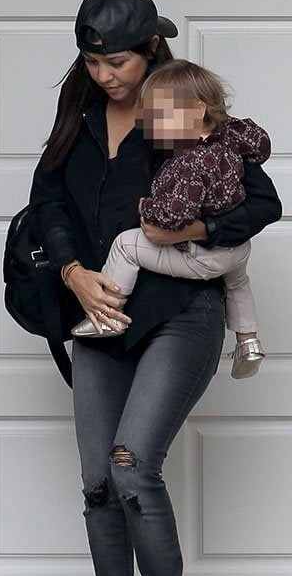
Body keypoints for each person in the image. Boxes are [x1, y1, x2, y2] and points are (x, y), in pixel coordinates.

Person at [27, 0, 281, 576]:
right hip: (100, 322)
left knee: (133, 465)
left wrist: (189, 234)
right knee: (99, 487)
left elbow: (262, 203)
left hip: (179, 315)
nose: (107, 75)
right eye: (93, 61)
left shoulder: (183, 107)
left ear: (151, 49)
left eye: (119, 62)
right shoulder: (76, 112)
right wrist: (74, 272)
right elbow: (47, 201)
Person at [71, 59, 270, 379]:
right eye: (151, 118)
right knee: (239, 283)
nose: (154, 128)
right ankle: (248, 341)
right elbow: (260, 144)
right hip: (237, 249)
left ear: (198, 111)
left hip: (203, 256)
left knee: (126, 244)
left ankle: (109, 315)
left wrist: (147, 209)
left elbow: (175, 214)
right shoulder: (231, 137)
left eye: (162, 118)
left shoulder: (188, 163)